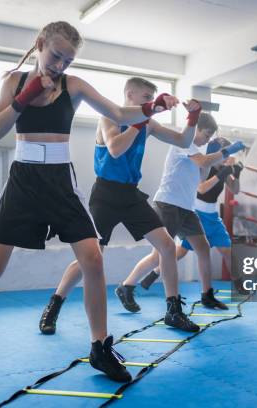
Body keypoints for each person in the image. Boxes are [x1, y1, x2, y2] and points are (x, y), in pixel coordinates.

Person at [0, 21, 179, 383]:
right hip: (23, 181)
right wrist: (24, 97)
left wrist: (152, 108)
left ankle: (100, 346)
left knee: (93, 257)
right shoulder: (15, 83)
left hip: (60, 181)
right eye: (55, 55)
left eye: (68, 59)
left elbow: (118, 113)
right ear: (39, 45)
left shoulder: (74, 85)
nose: (60, 64)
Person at [38, 76, 203, 334]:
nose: (151, 103)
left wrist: (193, 117)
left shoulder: (147, 124)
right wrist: (142, 118)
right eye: (146, 99)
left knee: (167, 246)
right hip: (105, 194)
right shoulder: (109, 117)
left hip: (130, 195)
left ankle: (173, 311)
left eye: (152, 99)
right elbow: (115, 149)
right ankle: (54, 305)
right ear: (130, 95)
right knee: (91, 258)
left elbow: (183, 141)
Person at [118, 115, 246, 314]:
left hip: (186, 208)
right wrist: (225, 152)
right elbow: (203, 165)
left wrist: (218, 162)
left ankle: (207, 295)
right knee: (157, 256)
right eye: (206, 134)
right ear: (196, 130)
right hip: (168, 204)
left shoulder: (200, 152)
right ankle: (126, 286)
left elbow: (201, 176)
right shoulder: (182, 142)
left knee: (203, 248)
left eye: (210, 136)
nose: (206, 139)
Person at [139, 137, 243, 306]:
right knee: (175, 252)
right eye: (224, 153)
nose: (226, 158)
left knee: (224, 250)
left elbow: (235, 189)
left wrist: (235, 173)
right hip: (197, 212)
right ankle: (147, 277)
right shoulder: (205, 166)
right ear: (216, 152)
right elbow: (201, 189)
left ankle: (235, 286)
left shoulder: (222, 168)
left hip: (212, 216)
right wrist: (223, 173)